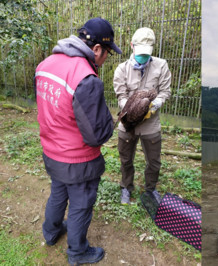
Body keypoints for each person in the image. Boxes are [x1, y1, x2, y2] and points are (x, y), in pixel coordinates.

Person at [35, 17, 121, 264]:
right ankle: (78, 252)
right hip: (78, 160)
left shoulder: (45, 65)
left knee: (58, 193)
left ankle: (51, 233)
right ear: (96, 49)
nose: (105, 59)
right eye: (107, 53)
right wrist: (111, 122)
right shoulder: (86, 78)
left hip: (51, 151)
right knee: (80, 205)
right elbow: (97, 135)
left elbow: (48, 107)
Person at [113, 27, 171, 205]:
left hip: (151, 124)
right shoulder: (122, 69)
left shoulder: (161, 66)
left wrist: (152, 106)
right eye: (140, 53)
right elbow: (121, 95)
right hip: (127, 123)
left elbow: (165, 91)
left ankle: (151, 190)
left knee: (154, 162)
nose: (143, 57)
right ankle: (126, 187)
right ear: (132, 46)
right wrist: (132, 110)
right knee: (126, 159)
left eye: (147, 53)